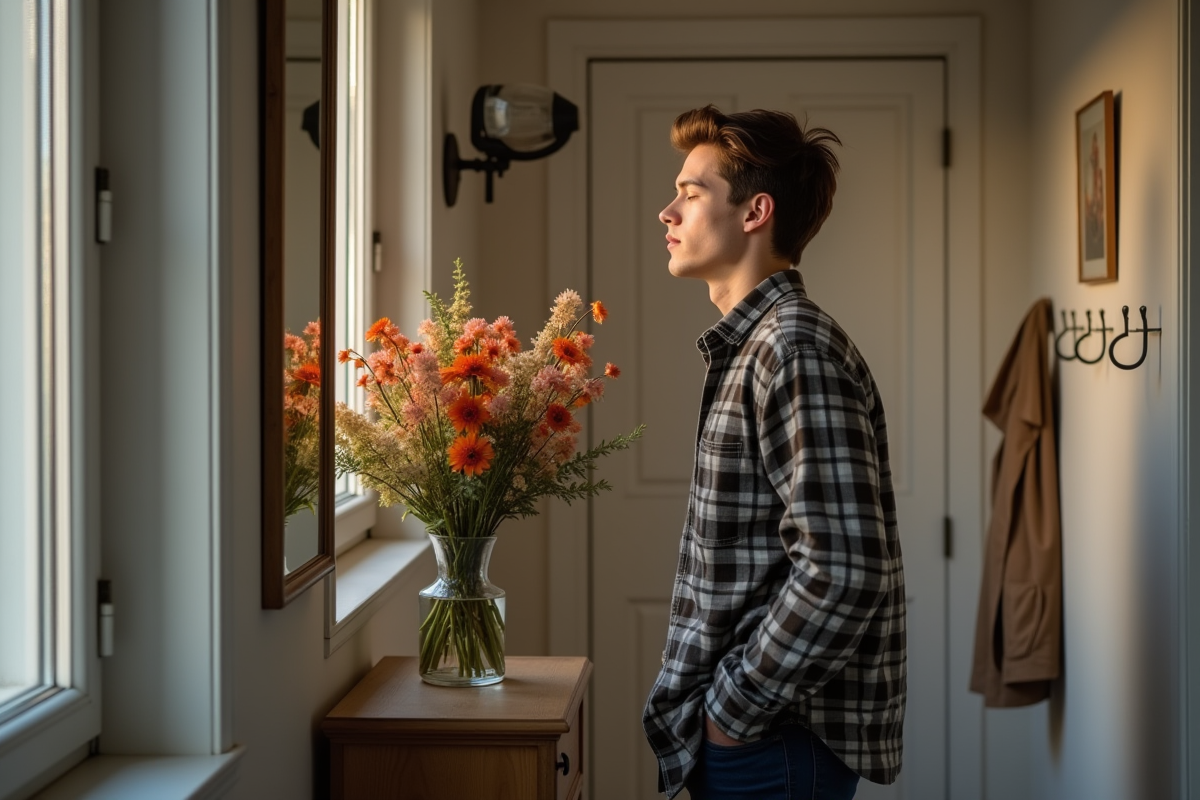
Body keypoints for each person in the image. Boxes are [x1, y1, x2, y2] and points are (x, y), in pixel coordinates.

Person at [641, 105, 906, 800]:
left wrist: (735, 710)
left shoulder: (792, 347)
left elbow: (845, 570)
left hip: (773, 743)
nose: (667, 213)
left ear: (755, 211)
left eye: (691, 194)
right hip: (757, 738)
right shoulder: (758, 345)